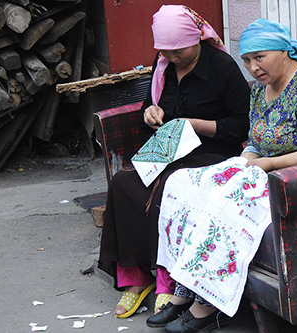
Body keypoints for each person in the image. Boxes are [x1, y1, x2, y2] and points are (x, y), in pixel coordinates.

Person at [148, 18, 297, 333]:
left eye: (260, 56)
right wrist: (244, 162)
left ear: (284, 50)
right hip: (262, 170)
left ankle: (207, 306)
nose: (253, 67)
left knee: (225, 203)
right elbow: (255, 142)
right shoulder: (260, 90)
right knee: (186, 186)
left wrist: (267, 166)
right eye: (247, 60)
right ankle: (183, 290)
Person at [97, 4, 250, 320]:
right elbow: (148, 108)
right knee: (124, 183)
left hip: (214, 153)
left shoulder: (222, 67)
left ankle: (167, 280)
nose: (173, 57)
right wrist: (150, 114)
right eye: (166, 51)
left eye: (179, 50)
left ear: (196, 38)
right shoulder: (163, 63)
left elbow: (241, 125)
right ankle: (136, 279)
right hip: (169, 149)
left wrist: (196, 124)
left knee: (169, 186)